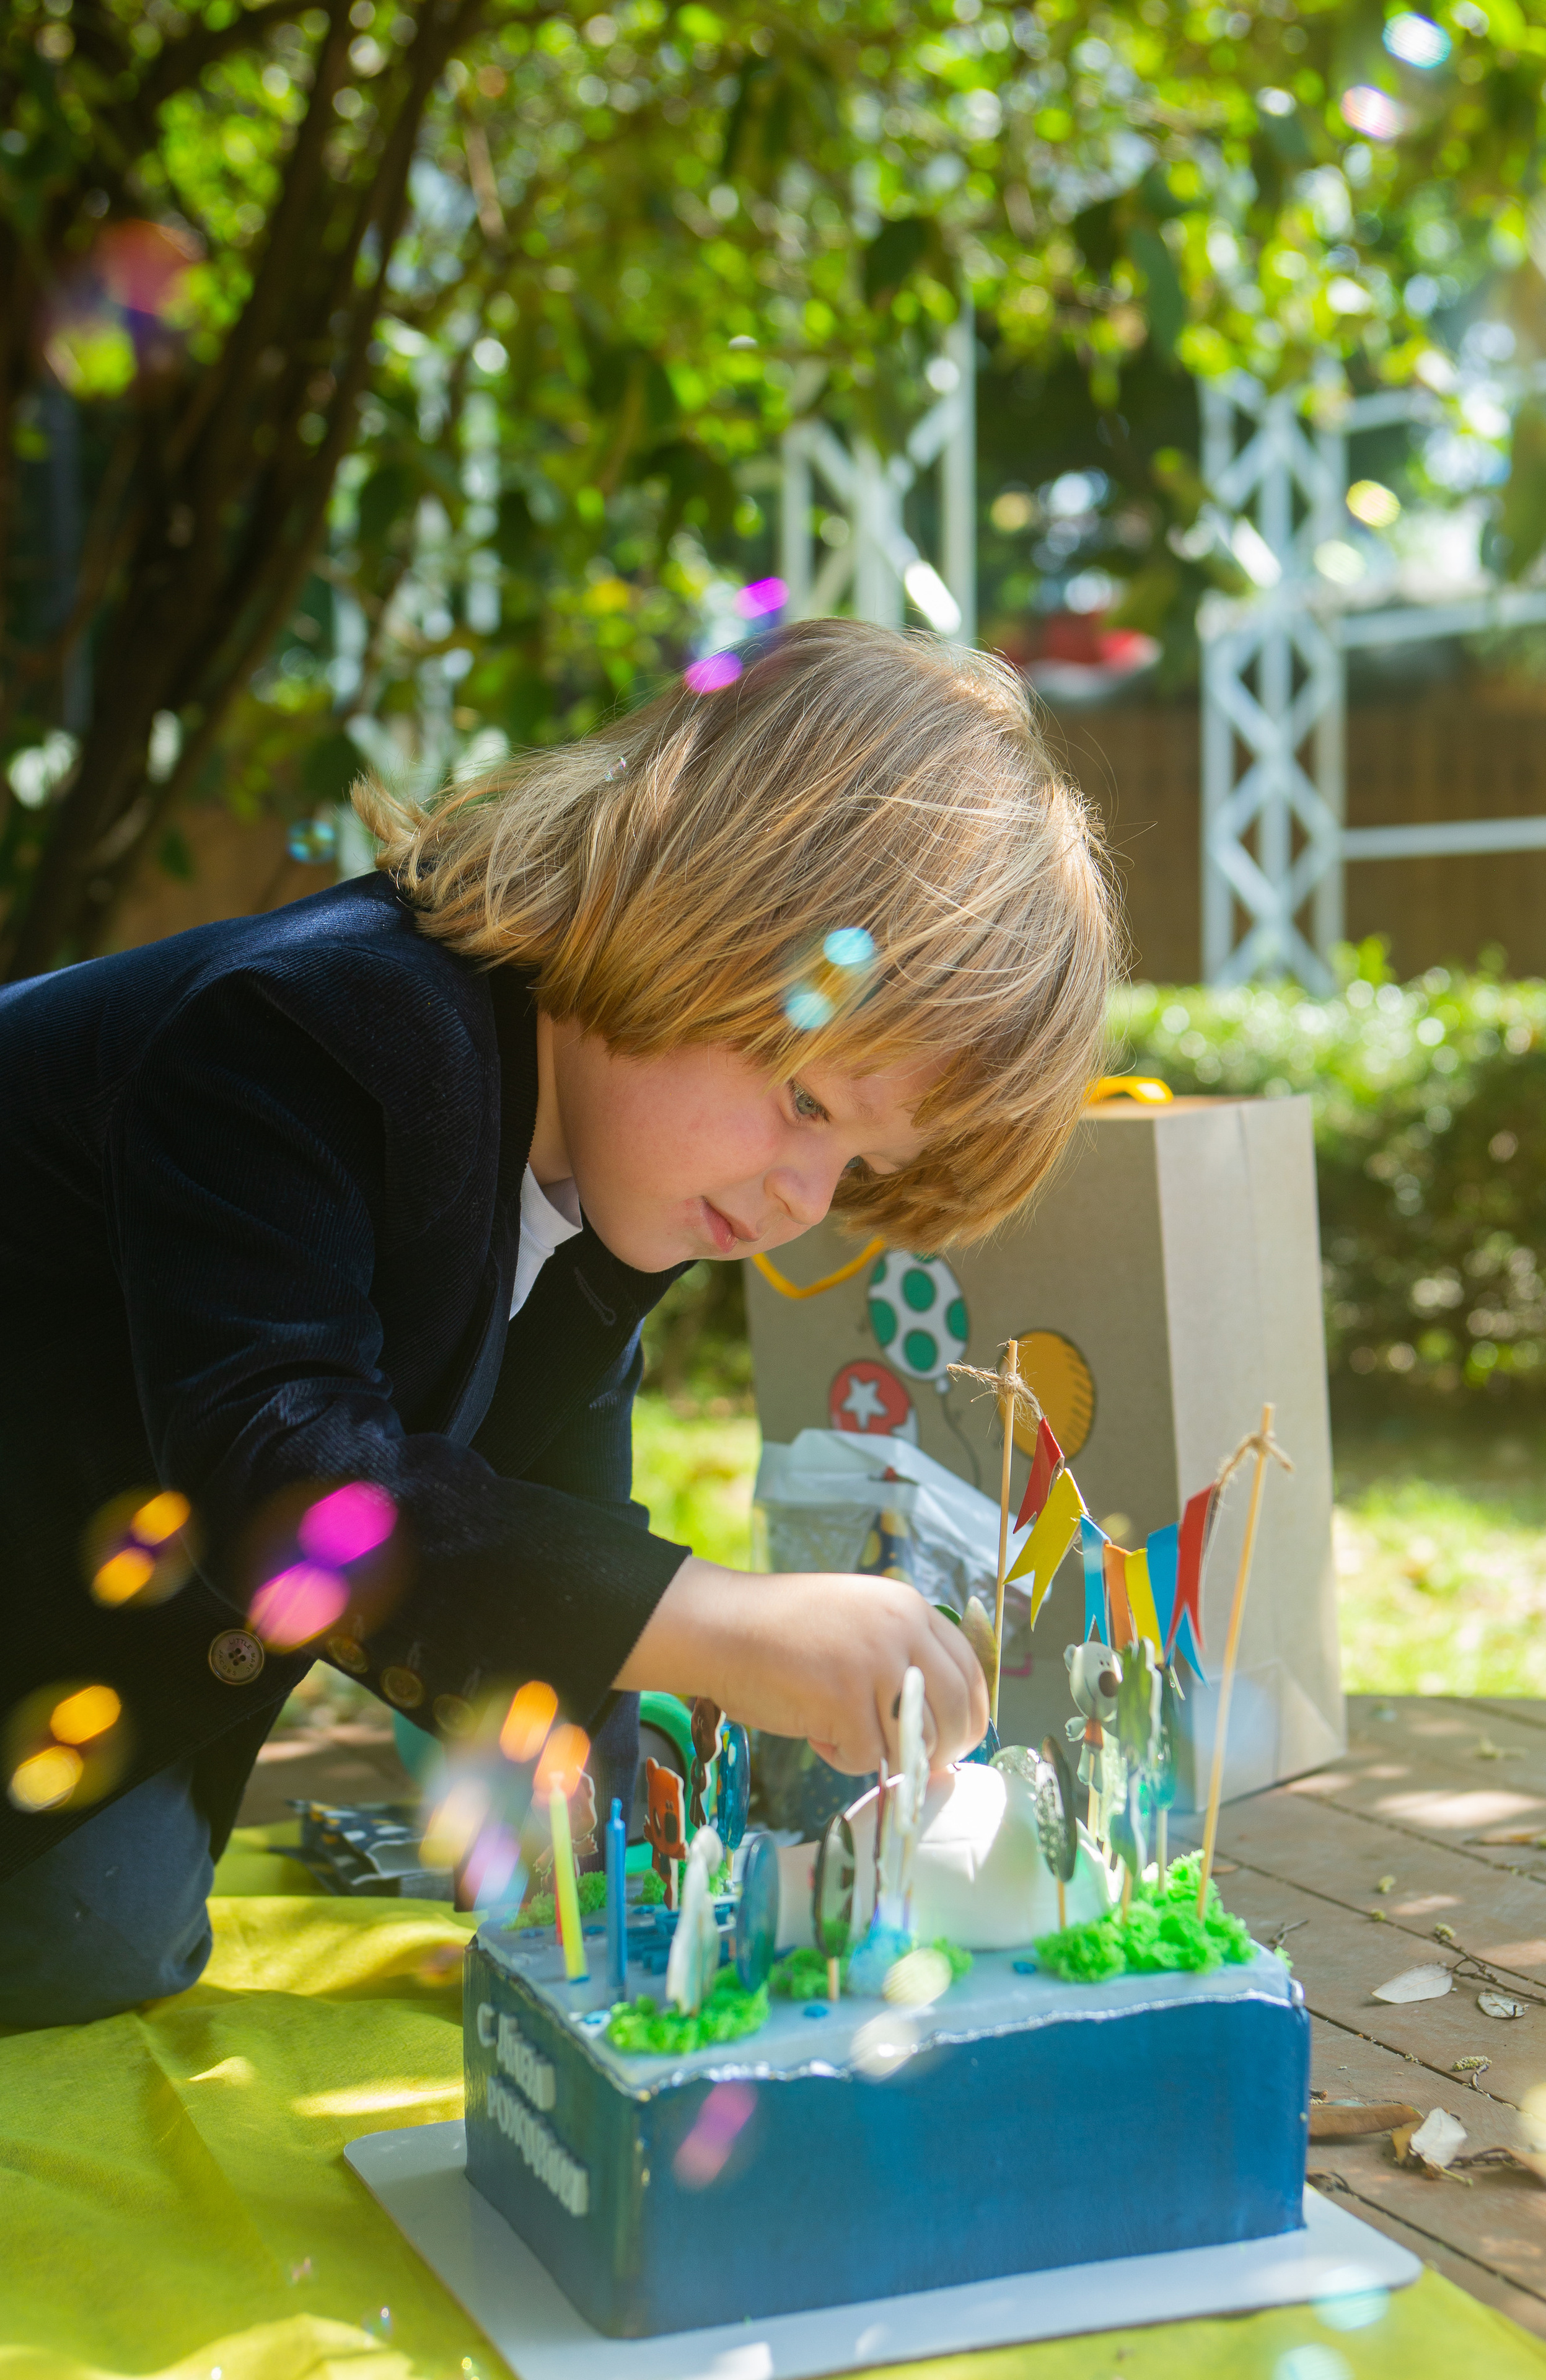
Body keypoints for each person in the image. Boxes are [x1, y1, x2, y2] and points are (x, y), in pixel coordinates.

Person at [0, 618, 1115, 2029]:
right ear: (691, 907)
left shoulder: (608, 1175)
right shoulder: (319, 1032)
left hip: (80, 1629)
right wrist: (721, 1623)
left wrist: (610, 1833)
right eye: (810, 1104)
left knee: (112, 1922)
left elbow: (536, 1513)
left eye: (857, 1168)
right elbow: (290, 1483)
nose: (800, 1197)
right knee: (98, 1939)